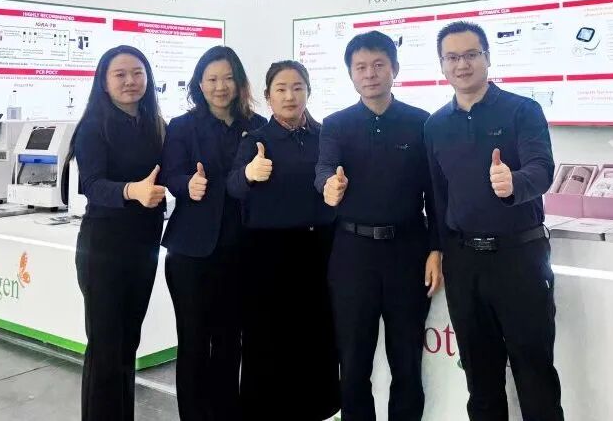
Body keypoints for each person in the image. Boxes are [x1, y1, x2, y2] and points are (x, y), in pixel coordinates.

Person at [423, 21, 564, 421]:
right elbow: (437, 197)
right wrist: (438, 249)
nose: (462, 65)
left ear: (487, 57)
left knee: (535, 375)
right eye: (452, 57)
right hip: (464, 263)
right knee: (480, 381)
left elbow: (542, 169)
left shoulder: (522, 110)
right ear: (442, 64)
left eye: (471, 55)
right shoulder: (435, 125)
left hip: (520, 258)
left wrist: (514, 182)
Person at [315, 31, 441, 421]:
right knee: (354, 363)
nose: (369, 74)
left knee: (407, 361)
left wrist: (436, 248)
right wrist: (329, 186)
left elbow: (435, 194)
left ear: (394, 69)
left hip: (408, 253)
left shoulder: (421, 123)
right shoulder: (336, 124)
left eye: (378, 65)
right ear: (351, 74)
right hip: (353, 255)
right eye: (360, 67)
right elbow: (323, 168)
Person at [228, 60, 340, 421]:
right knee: (268, 337)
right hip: (268, 253)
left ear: (309, 91)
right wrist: (249, 173)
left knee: (316, 333)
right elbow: (233, 186)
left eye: (297, 87)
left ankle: (316, 409)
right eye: (281, 89)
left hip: (319, 249)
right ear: (268, 96)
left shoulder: (326, 136)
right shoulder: (256, 140)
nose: (290, 96)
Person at [161, 46, 264, 421]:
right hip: (192, 251)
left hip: (243, 250)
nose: (221, 87)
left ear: (239, 83)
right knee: (193, 342)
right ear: (200, 84)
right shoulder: (182, 126)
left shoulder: (257, 125)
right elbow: (171, 174)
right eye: (212, 79)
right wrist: (187, 184)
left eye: (228, 78)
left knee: (230, 341)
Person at [72, 45, 167, 421]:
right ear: (104, 81)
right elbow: (92, 185)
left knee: (128, 343)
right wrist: (132, 191)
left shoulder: (155, 124)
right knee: (106, 348)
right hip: (104, 247)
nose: (130, 81)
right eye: (120, 74)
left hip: (143, 245)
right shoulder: (93, 126)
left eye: (138, 73)